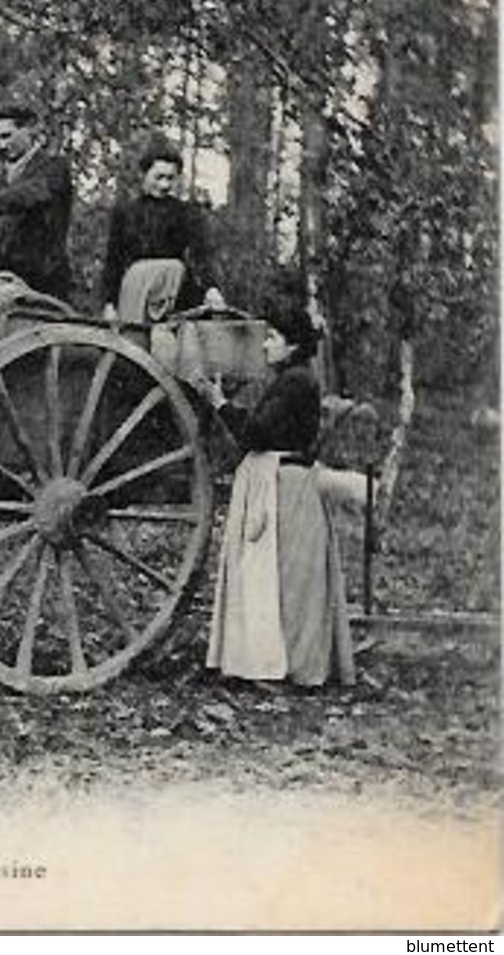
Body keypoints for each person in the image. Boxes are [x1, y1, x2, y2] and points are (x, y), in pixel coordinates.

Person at [195, 303, 355, 688]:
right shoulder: (291, 379)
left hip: (287, 489)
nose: (264, 345)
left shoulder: (298, 382)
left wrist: (218, 404)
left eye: (272, 338)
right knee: (278, 576)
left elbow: (255, 434)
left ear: (293, 345)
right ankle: (275, 662)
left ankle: (289, 667)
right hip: (280, 482)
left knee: (283, 578)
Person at [101, 140, 222, 322]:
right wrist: (109, 303)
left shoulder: (186, 213)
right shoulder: (126, 212)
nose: (165, 185)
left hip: (174, 292)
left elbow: (201, 253)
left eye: (170, 178)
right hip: (136, 289)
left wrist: (211, 288)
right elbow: (114, 261)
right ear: (144, 174)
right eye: (159, 177)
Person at [0, 101, 74, 303]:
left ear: (28, 131)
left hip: (43, 282)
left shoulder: (55, 168)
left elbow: (33, 193)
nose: (2, 145)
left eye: (7, 136)